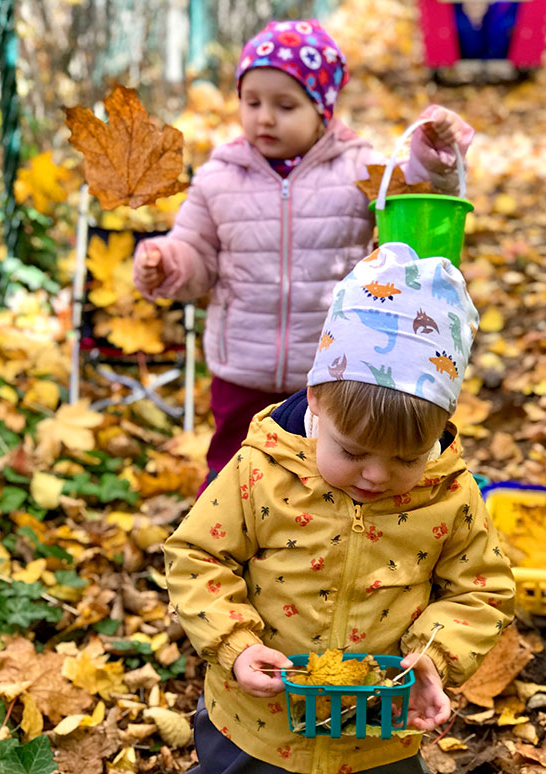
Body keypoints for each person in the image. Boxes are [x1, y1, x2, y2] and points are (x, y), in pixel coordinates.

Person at [163, 242, 515, 774]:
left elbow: (483, 588)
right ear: (317, 403)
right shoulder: (261, 471)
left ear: (443, 425)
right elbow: (198, 554)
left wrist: (432, 658)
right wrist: (235, 644)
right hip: (258, 718)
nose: (376, 477)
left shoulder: (451, 495)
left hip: (376, 727)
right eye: (352, 453)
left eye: (406, 459)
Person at [134, 19, 475, 491]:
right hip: (243, 366)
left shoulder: (358, 167)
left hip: (337, 369)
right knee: (234, 470)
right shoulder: (219, 176)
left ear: (323, 110)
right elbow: (196, 252)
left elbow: (409, 204)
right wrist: (169, 261)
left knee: (321, 473)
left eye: (285, 105)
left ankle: (307, 554)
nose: (264, 118)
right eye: (251, 102)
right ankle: (224, 542)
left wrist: (431, 160)